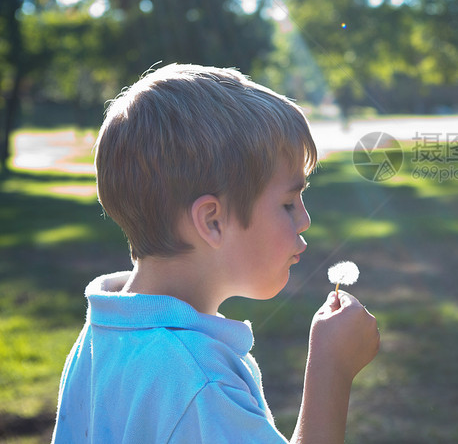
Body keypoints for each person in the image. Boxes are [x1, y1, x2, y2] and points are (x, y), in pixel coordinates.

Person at [52, 64, 380, 443]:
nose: (305, 220)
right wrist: (331, 371)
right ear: (212, 221)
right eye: (289, 203)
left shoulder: (102, 337)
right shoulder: (199, 383)